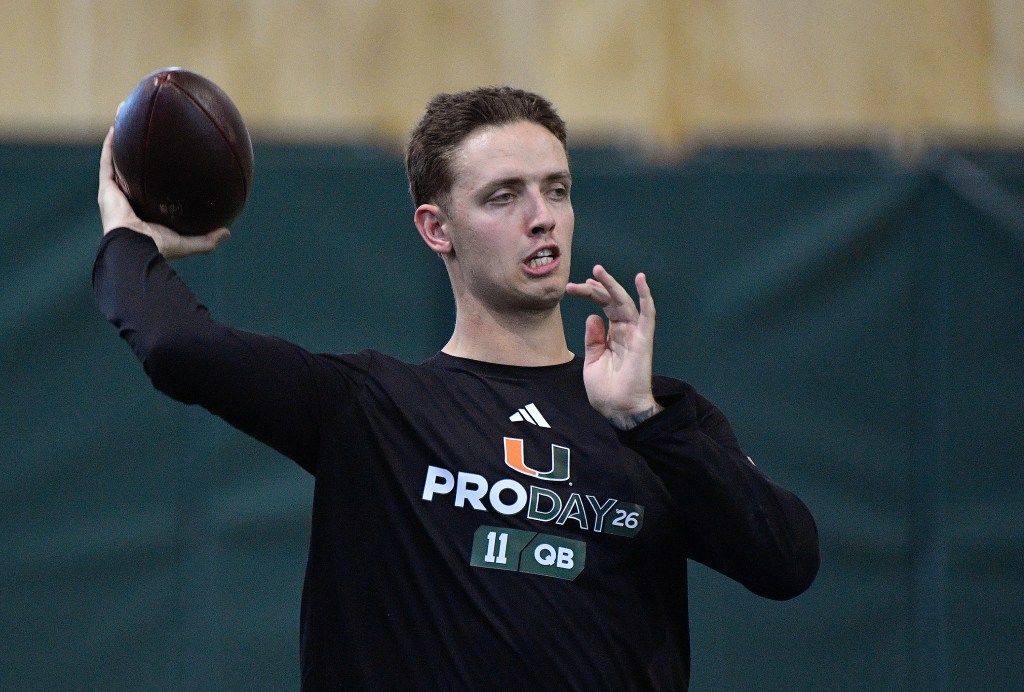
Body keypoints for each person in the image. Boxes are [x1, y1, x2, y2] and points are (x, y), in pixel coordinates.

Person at [94, 86, 819, 690]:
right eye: (504, 196)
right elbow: (178, 347)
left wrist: (641, 418)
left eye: (557, 190)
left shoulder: (660, 419)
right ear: (436, 229)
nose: (542, 217)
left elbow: (786, 562)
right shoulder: (371, 410)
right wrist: (127, 239)